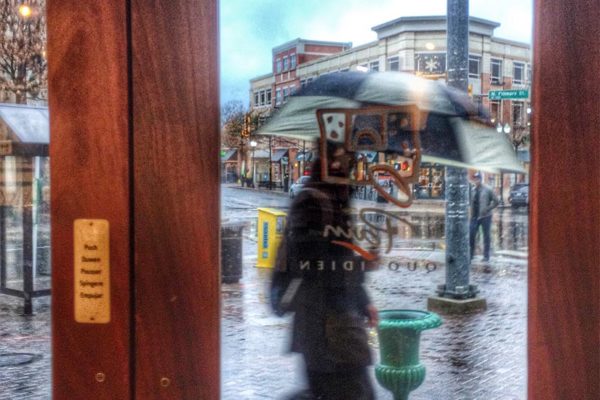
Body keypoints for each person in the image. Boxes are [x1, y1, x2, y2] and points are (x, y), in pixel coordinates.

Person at [276, 142, 378, 400]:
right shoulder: (311, 201)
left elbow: (339, 256)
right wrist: (360, 265)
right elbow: (312, 264)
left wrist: (364, 301)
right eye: (343, 161)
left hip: (337, 325)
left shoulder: (336, 199)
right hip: (324, 327)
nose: (348, 167)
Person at [470, 172, 499, 262]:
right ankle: (470, 255)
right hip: (475, 216)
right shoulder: (473, 190)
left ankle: (486, 256)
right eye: (475, 179)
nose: (476, 180)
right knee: (471, 235)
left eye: (477, 179)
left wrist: (488, 208)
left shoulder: (488, 189)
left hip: (485, 216)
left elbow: (496, 201)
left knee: (486, 236)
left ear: (480, 179)